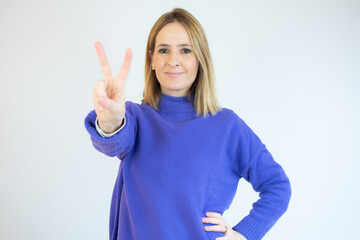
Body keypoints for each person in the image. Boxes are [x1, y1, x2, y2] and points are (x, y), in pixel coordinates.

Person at [84, 8, 291, 240]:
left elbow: (278, 186)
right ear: (152, 59)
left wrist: (242, 235)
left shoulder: (227, 127)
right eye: (164, 50)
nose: (173, 61)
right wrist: (110, 120)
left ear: (200, 59)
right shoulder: (135, 119)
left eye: (185, 50)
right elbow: (113, 141)